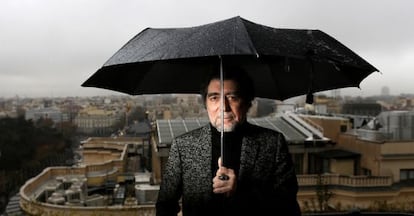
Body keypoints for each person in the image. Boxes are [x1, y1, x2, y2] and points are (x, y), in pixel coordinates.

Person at [156, 64, 301, 216]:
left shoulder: (273, 143)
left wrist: (241, 191)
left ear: (247, 102)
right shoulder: (183, 146)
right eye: (214, 98)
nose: (224, 107)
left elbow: (288, 206)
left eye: (232, 97)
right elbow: (165, 206)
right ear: (206, 104)